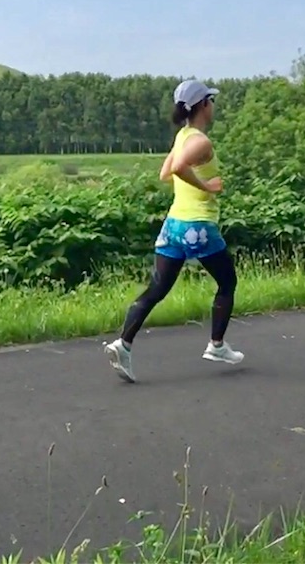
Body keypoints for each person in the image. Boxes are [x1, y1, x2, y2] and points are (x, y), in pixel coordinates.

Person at [103, 79, 244, 383]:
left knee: (157, 288)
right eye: (211, 101)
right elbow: (177, 169)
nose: (214, 106)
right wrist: (207, 186)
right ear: (203, 105)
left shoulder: (183, 136)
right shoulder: (200, 142)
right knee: (227, 282)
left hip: (174, 225)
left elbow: (165, 171)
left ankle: (123, 345)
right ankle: (217, 345)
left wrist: (189, 173)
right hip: (198, 225)